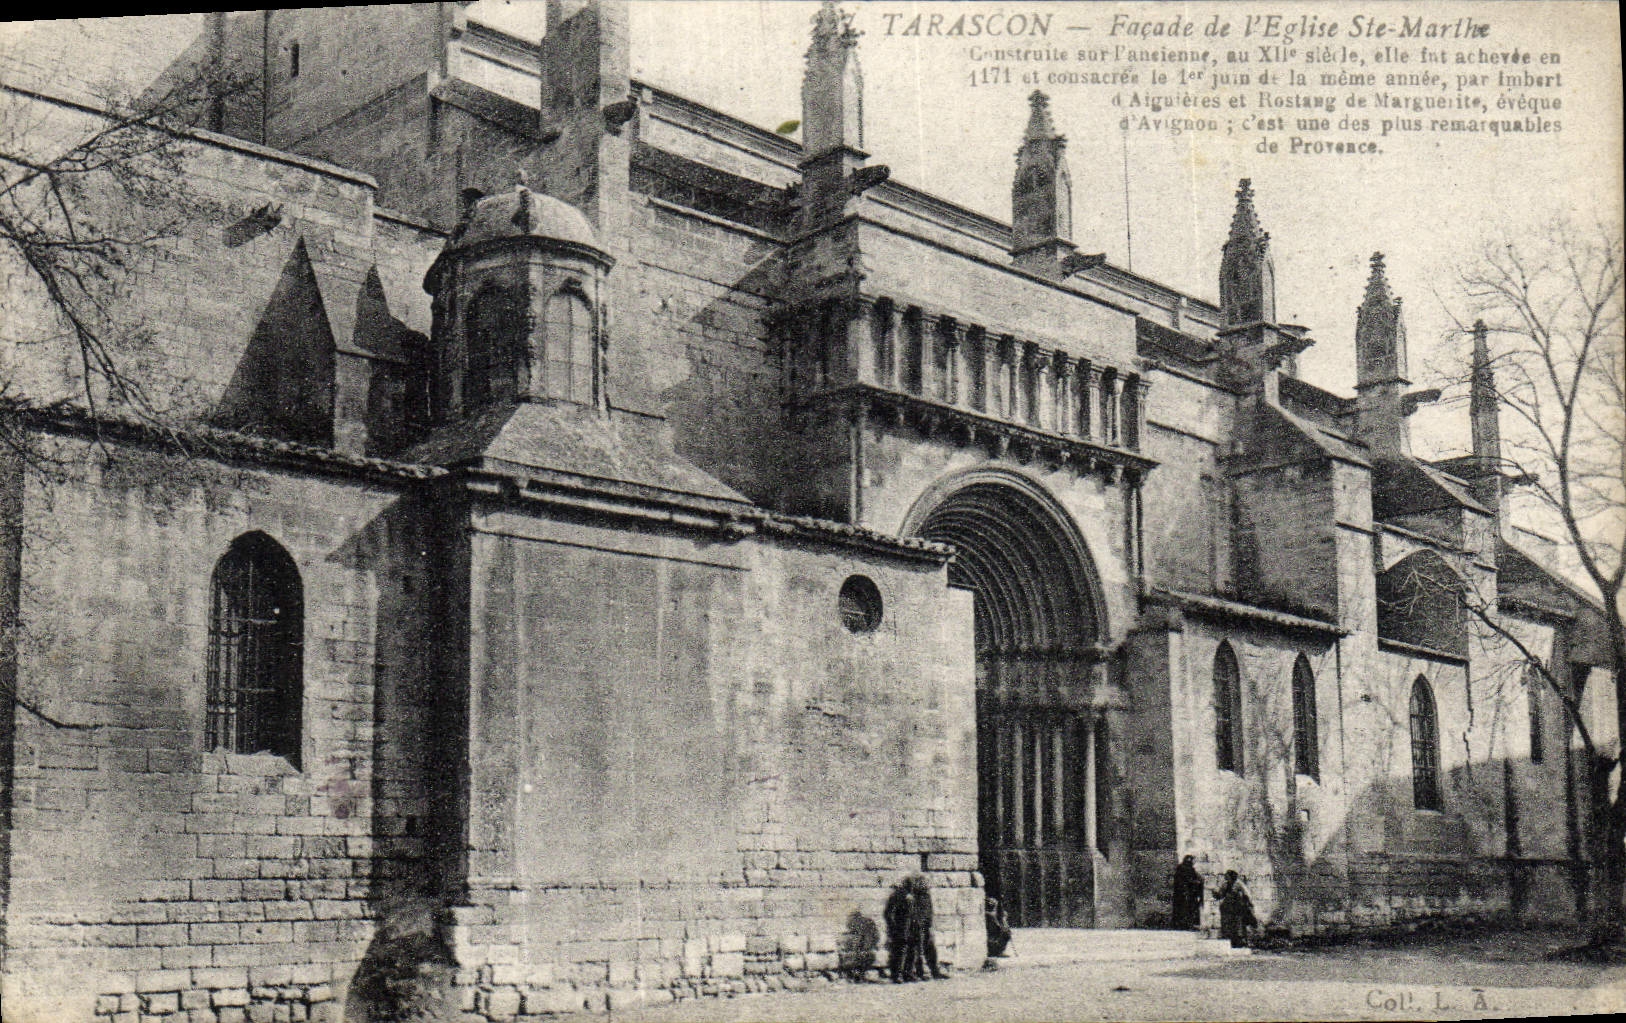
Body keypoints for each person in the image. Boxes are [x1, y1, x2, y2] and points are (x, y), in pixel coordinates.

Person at [1214, 869, 1257, 947]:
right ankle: (1229, 940)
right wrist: (1215, 894)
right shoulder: (1225, 885)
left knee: (1238, 924)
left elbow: (1247, 894)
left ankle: (1240, 941)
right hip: (1228, 907)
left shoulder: (1239, 884)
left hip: (1237, 907)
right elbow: (1221, 895)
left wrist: (1249, 905)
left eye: (1227, 876)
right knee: (1228, 923)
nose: (1225, 877)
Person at [1170, 855, 1204, 930]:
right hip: (1185, 893)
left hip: (1188, 894)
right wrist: (1195, 882)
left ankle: (1185, 924)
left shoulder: (1187, 869)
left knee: (1187, 909)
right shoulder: (1183, 869)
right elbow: (1185, 880)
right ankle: (1184, 924)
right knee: (1185, 909)